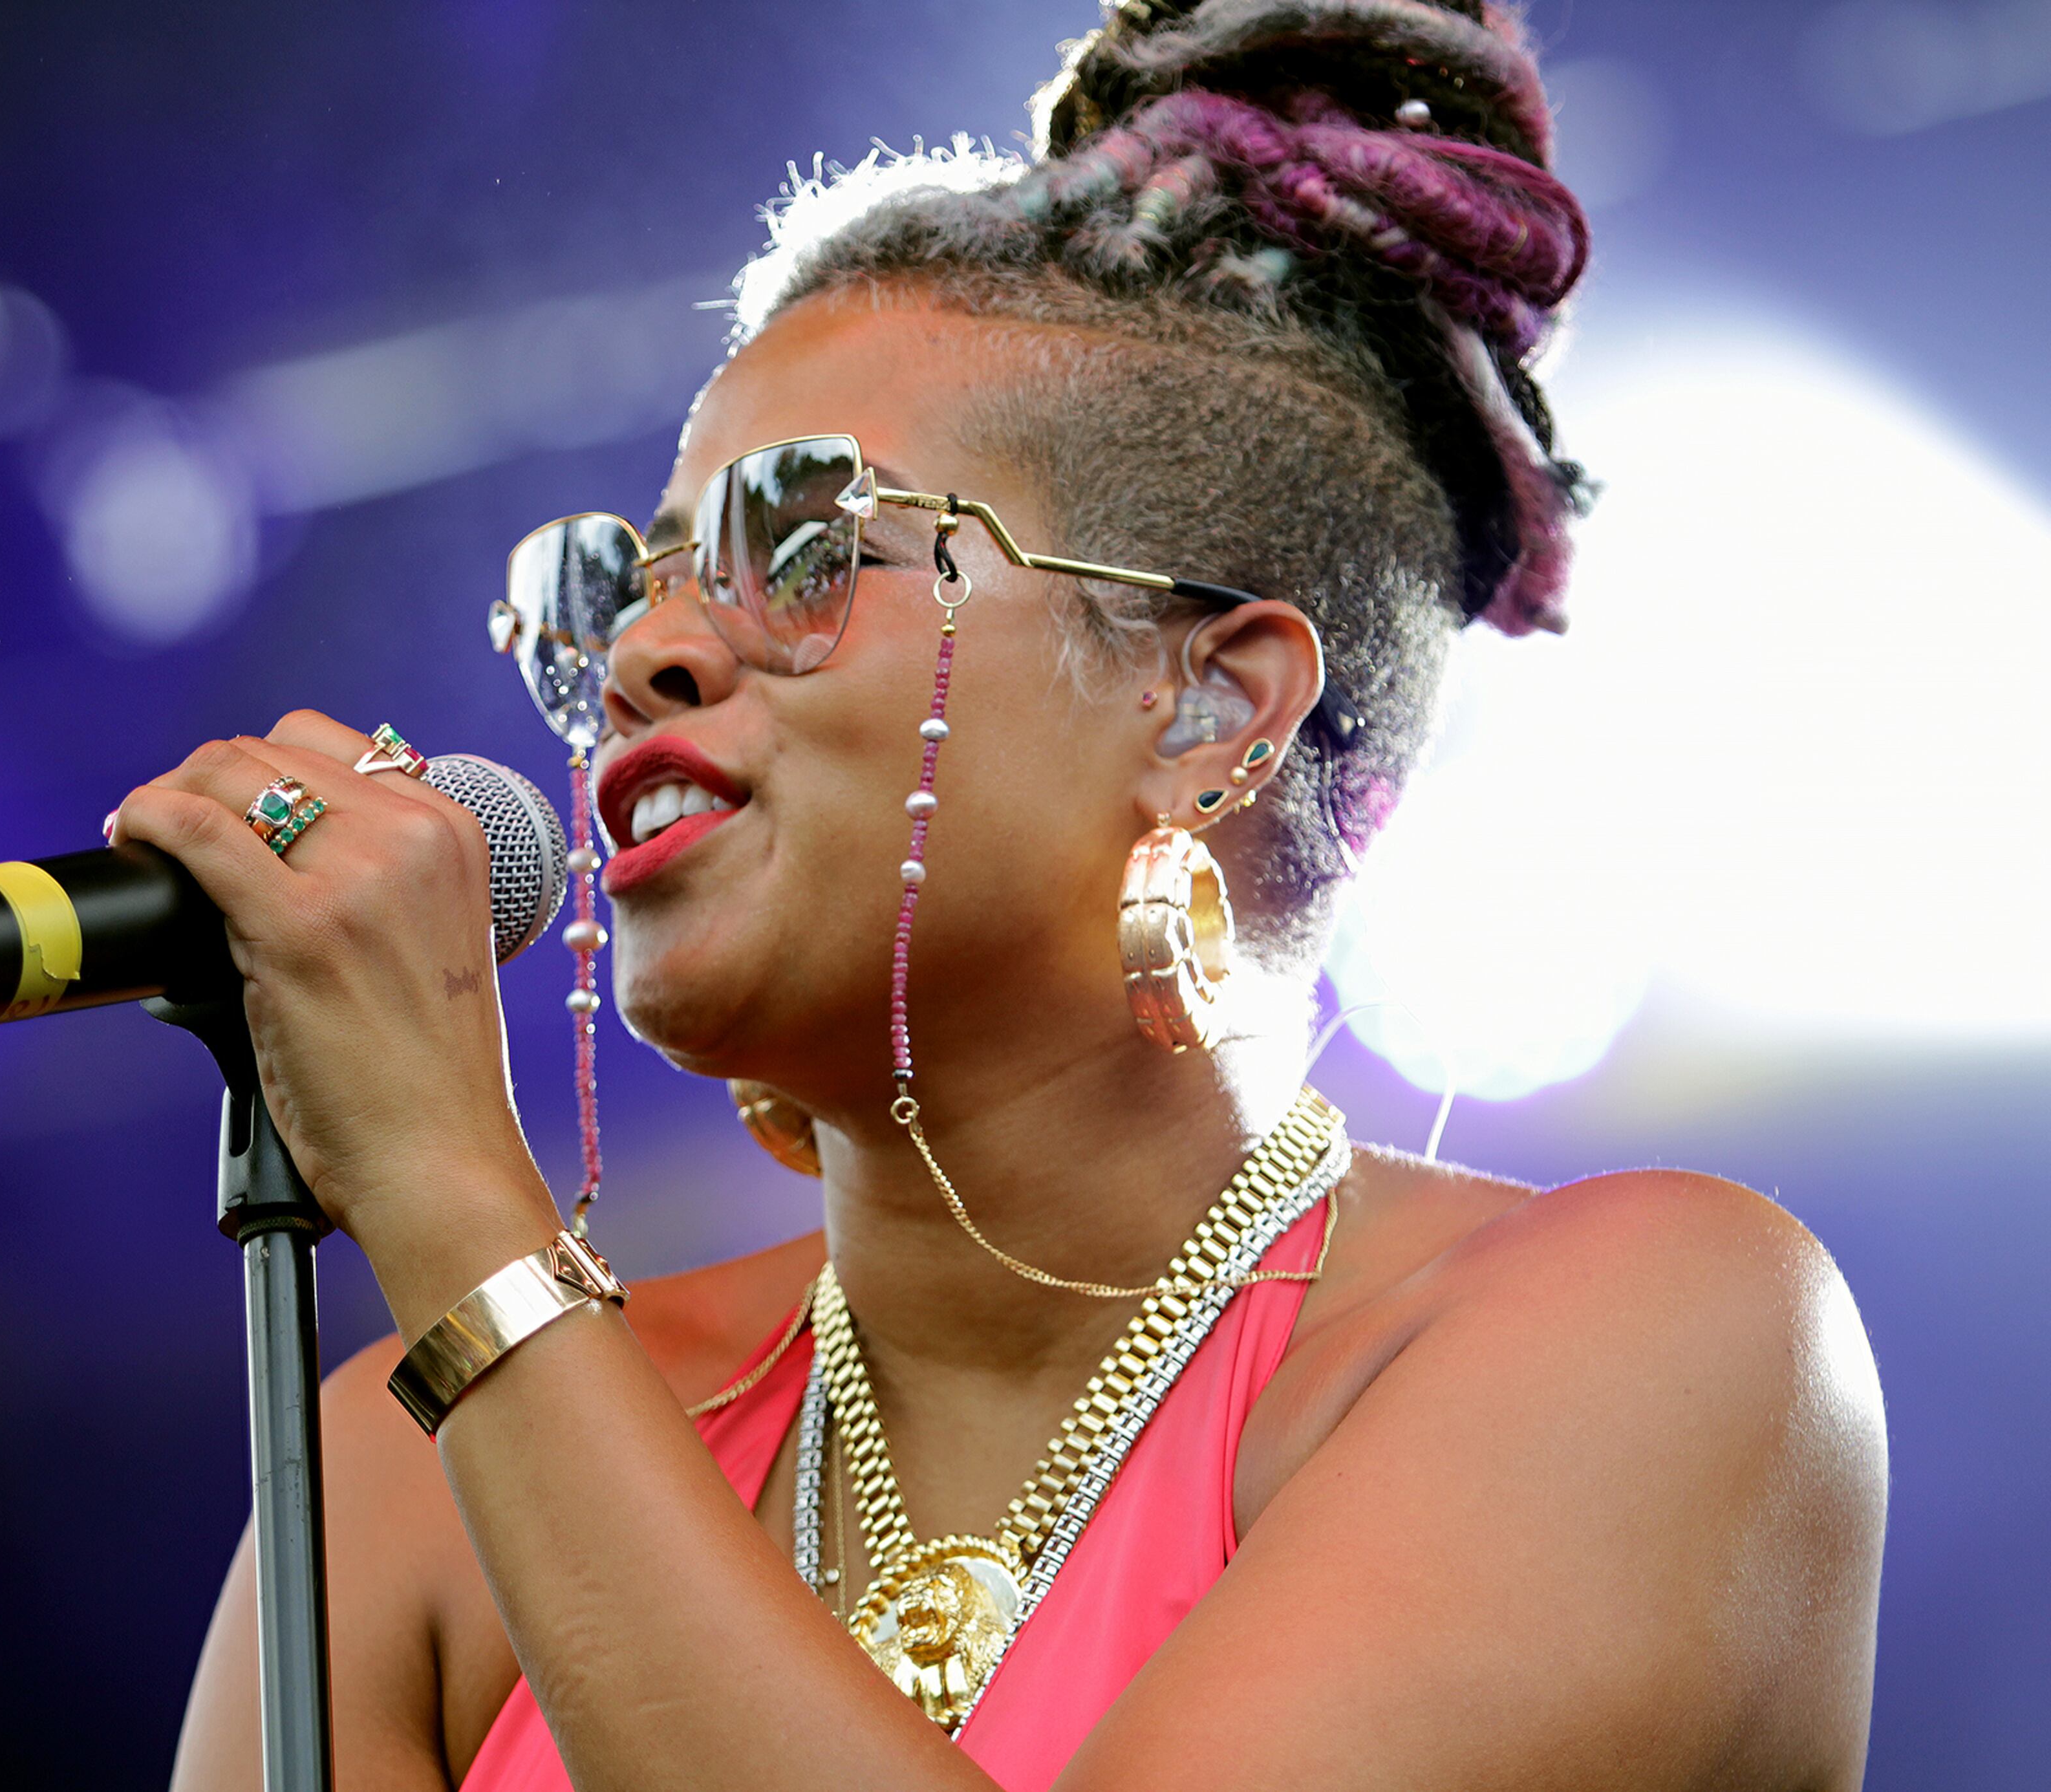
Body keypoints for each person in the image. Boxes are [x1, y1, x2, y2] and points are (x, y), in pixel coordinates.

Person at [147, 3, 1887, 1786]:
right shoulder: (405, 1474)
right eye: (626, 586)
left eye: (809, 548)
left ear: (1208, 707)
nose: (647, 654)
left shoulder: (1657, 1338)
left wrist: (454, 1207)